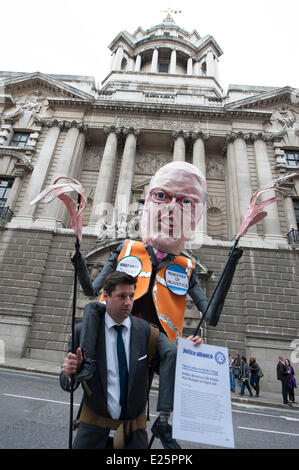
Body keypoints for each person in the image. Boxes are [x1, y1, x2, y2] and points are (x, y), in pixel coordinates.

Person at [71, 161, 243, 448]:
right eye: (162, 196)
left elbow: (210, 316)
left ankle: (163, 420)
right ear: (146, 205)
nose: (172, 209)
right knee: (91, 309)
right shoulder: (126, 248)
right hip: (116, 324)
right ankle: (88, 364)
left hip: (151, 336)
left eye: (186, 202)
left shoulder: (186, 266)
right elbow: (92, 290)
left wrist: (232, 263)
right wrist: (78, 259)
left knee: (172, 354)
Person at [60, 270, 203, 449]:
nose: (128, 302)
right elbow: (68, 384)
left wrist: (188, 350)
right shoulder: (83, 332)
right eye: (121, 296)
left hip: (134, 438)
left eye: (131, 296)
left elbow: (169, 362)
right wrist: (68, 373)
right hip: (92, 434)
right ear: (106, 296)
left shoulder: (147, 333)